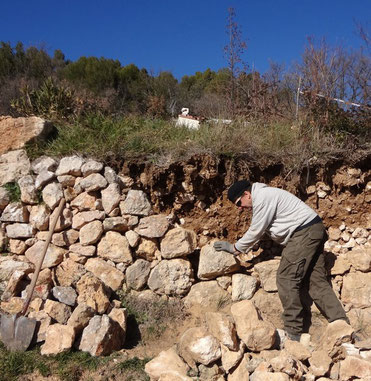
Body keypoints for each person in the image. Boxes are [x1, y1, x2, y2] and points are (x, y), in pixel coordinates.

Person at [214, 179, 349, 341]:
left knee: (286, 278)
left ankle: (293, 332)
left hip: (304, 232)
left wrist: (235, 248)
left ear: (246, 194)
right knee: (316, 281)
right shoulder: (265, 195)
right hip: (313, 229)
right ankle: (342, 324)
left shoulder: (262, 197)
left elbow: (256, 229)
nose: (240, 208)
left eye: (239, 203)